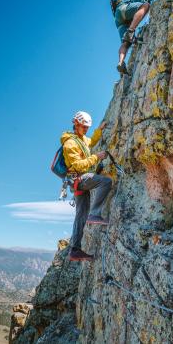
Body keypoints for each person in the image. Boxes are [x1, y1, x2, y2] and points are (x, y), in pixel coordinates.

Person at [61, 111, 113, 262]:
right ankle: (95, 213)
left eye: (87, 128)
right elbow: (77, 165)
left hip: (76, 183)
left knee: (80, 216)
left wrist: (100, 129)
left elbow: (91, 142)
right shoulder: (70, 143)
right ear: (76, 124)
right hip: (79, 178)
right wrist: (96, 157)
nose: (85, 130)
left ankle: (74, 250)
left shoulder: (81, 139)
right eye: (83, 127)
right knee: (106, 182)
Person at [112, 0, 173, 75]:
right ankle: (131, 30)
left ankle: (121, 62)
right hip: (125, 8)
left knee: (126, 43)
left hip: (119, 19)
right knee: (146, 5)